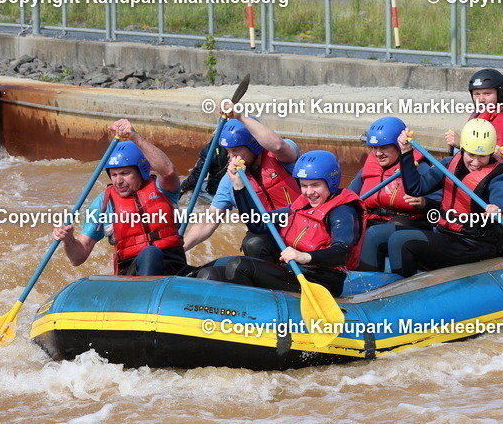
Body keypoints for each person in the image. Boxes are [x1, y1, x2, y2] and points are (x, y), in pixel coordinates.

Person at [193, 150, 365, 297]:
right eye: (304, 186)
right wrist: (239, 185)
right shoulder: (301, 204)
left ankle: (258, 311)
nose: (309, 192)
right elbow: (258, 224)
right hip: (293, 271)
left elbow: (343, 252)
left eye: (316, 185)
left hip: (321, 280)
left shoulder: (342, 210)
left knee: (239, 266)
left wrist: (304, 256)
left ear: (332, 182)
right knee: (209, 274)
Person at [52, 120, 187, 276]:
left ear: (142, 171)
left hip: (175, 269)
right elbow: (78, 257)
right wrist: (68, 239)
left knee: (214, 272)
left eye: (125, 173)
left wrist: (134, 136)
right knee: (151, 253)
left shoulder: (163, 189)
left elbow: (168, 171)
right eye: (114, 175)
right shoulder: (104, 204)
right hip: (133, 273)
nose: (118, 181)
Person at [386, 119, 503, 278]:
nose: (475, 162)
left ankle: (401, 295)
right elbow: (416, 188)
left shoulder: (498, 178)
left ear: (490, 154)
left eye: (482, 156)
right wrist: (406, 152)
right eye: (471, 154)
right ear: (462, 150)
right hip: (447, 234)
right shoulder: (448, 164)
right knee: (375, 235)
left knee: (400, 241)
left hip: (475, 245)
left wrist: (498, 212)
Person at [182, 115, 300, 263]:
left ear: (254, 145)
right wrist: (181, 248)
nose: (231, 158)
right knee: (252, 243)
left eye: (236, 150)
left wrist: (239, 116)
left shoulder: (281, 156)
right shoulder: (229, 180)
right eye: (228, 152)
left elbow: (278, 145)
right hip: (271, 240)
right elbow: (209, 220)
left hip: (302, 229)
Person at [346, 117, 440, 272]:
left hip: (406, 225)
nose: (377, 154)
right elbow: (348, 196)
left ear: (398, 146)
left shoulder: (420, 168)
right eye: (374, 148)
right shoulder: (369, 169)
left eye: (384, 148)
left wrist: (424, 202)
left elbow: (438, 208)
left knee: (395, 224)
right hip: (373, 223)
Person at [445, 69, 503, 156]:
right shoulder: (479, 114)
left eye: (487, 94)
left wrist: (461, 145)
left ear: (499, 94)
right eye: (477, 94)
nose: (481, 99)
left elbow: (499, 160)